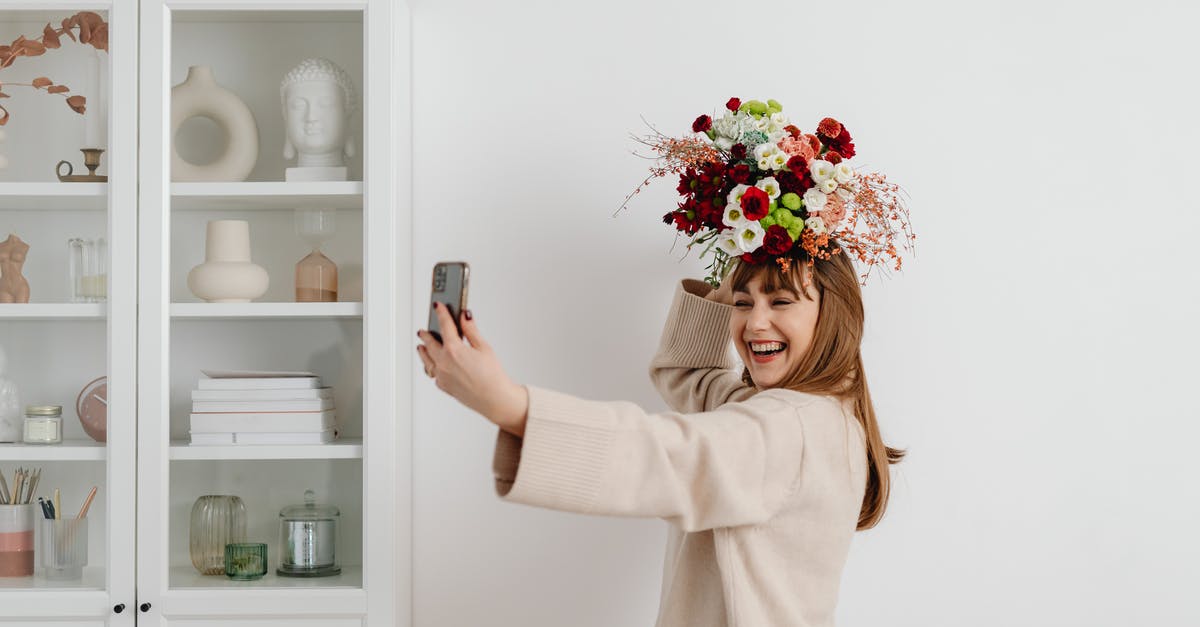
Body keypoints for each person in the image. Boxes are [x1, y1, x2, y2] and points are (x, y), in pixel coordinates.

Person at [416, 242, 905, 627]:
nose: (755, 322)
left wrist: (504, 403)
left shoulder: (784, 429)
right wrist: (743, 244)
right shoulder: (811, 412)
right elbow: (686, 370)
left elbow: (663, 454)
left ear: (834, 314)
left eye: (781, 301)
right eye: (742, 302)